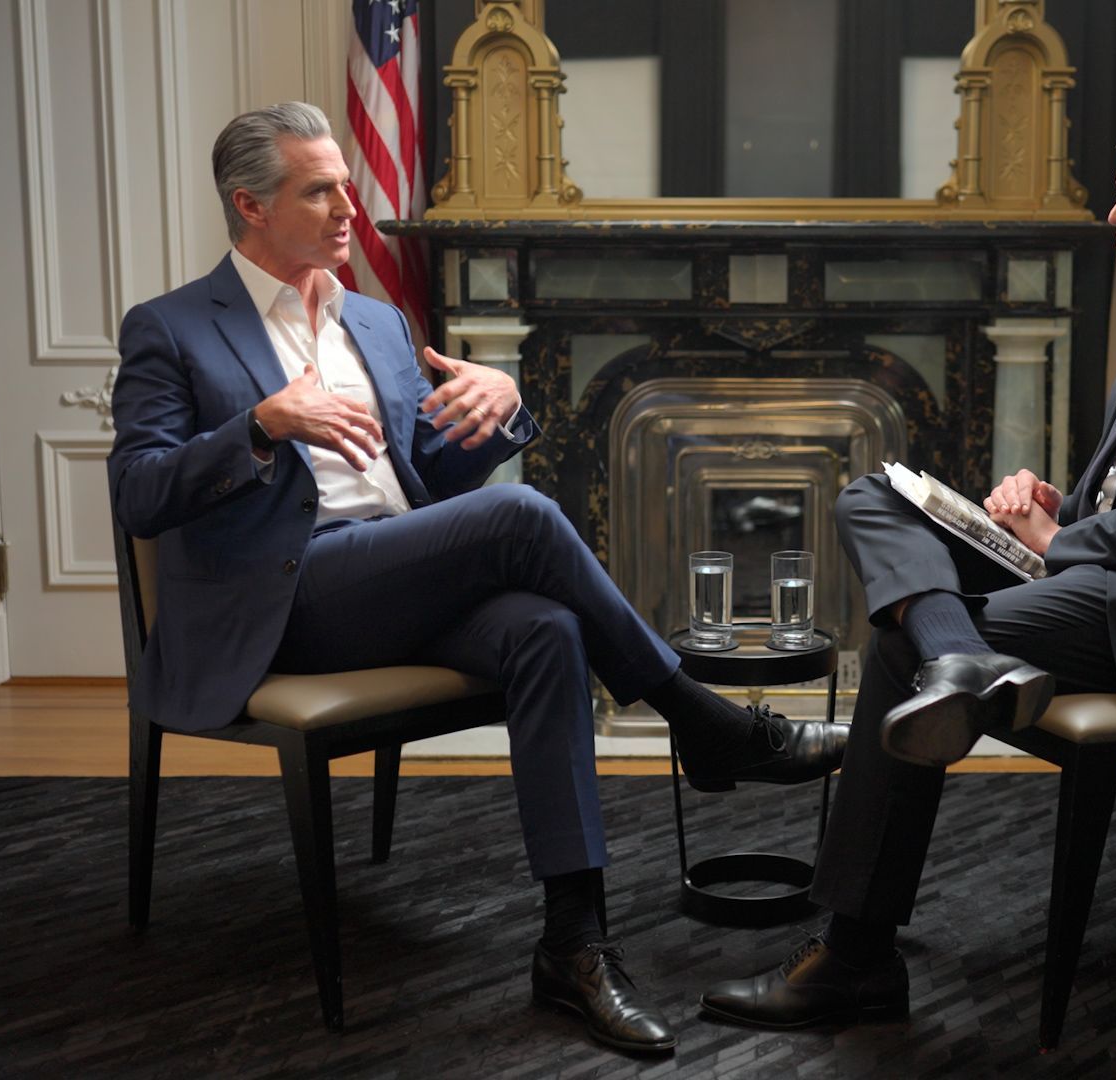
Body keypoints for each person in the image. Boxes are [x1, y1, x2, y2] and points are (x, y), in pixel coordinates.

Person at [106, 102, 846, 1055]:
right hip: (283, 604)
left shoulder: (374, 321)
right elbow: (137, 496)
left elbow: (428, 476)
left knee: (547, 630)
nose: (348, 209)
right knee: (525, 516)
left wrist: (498, 411)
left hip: (393, 578)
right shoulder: (170, 328)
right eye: (319, 189)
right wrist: (259, 426)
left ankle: (572, 944)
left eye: (345, 184)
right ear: (249, 205)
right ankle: (703, 721)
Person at [698, 108, 1116, 1030]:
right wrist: (1053, 505)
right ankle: (960, 655)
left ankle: (859, 952)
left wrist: (1056, 541)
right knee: (878, 494)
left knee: (897, 645)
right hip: (1110, 577)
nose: (1113, 212)